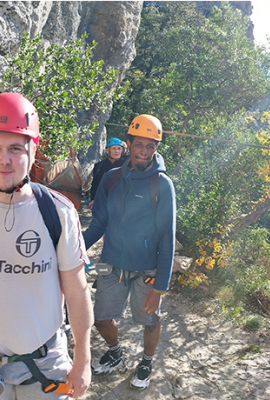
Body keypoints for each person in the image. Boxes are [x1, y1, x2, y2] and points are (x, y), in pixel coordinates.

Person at [0, 92, 92, 399]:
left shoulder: (57, 211)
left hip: (46, 367)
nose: (4, 159)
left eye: (15, 148)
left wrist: (83, 360)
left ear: (33, 149)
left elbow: (77, 292)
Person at [83, 114, 175, 390]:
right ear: (129, 143)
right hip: (112, 263)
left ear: (156, 148)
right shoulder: (111, 179)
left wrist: (161, 286)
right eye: (139, 145)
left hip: (146, 269)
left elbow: (167, 238)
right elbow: (98, 223)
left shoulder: (162, 184)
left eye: (151, 147)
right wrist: (71, 251)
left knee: (150, 320)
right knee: (100, 319)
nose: (144, 152)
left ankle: (146, 360)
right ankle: (115, 352)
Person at [88, 137, 126, 209]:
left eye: (119, 148)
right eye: (114, 148)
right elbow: (95, 184)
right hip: (104, 201)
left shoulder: (126, 165)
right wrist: (93, 199)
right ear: (107, 151)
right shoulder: (99, 166)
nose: (117, 151)